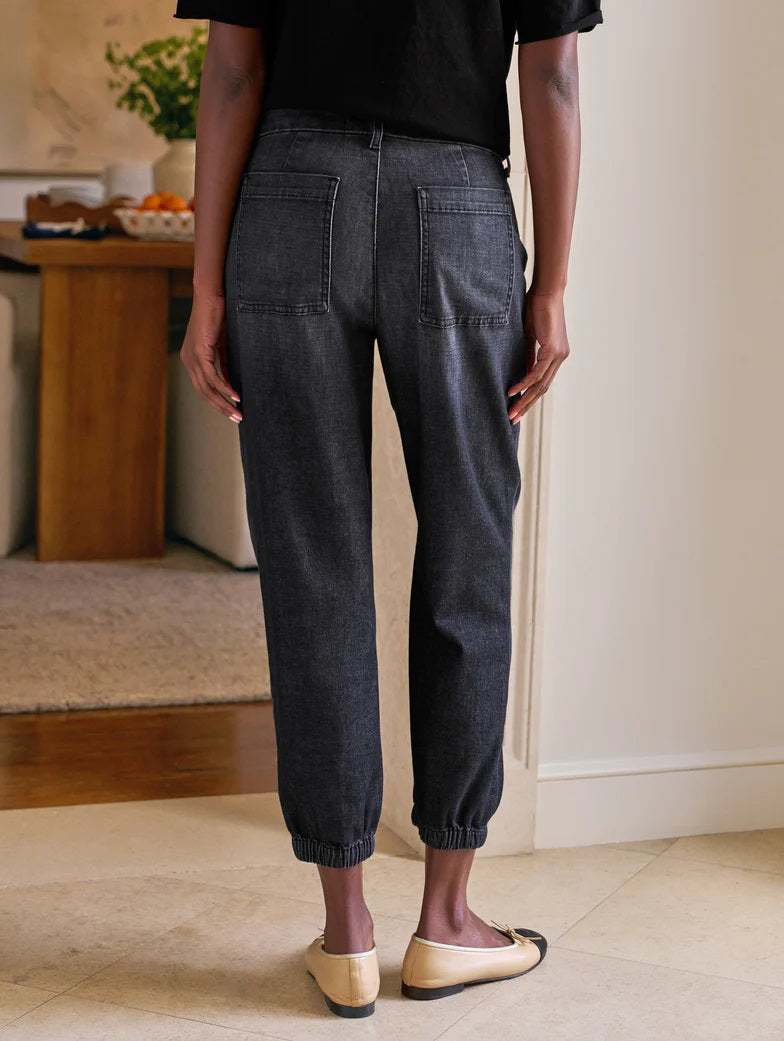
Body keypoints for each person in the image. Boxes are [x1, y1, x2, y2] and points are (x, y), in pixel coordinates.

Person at [175, 0, 603, 1019]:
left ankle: (346, 932)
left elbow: (232, 72)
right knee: (467, 559)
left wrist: (206, 286)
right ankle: (447, 920)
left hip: (286, 197)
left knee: (312, 566)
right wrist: (550, 286)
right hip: (455, 203)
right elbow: (549, 77)